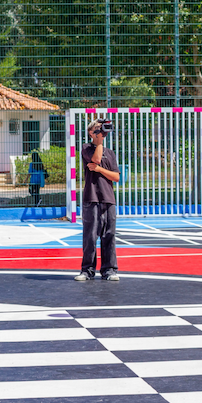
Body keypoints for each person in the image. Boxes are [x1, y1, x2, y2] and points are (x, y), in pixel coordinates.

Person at [74, 119, 121, 282]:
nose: (101, 130)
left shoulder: (111, 153)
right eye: (97, 128)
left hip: (108, 199)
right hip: (91, 198)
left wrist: (100, 170)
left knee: (109, 235)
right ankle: (87, 270)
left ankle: (109, 270)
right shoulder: (86, 148)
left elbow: (116, 177)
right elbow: (96, 159)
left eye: (102, 128)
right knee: (90, 236)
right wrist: (99, 141)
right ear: (90, 132)